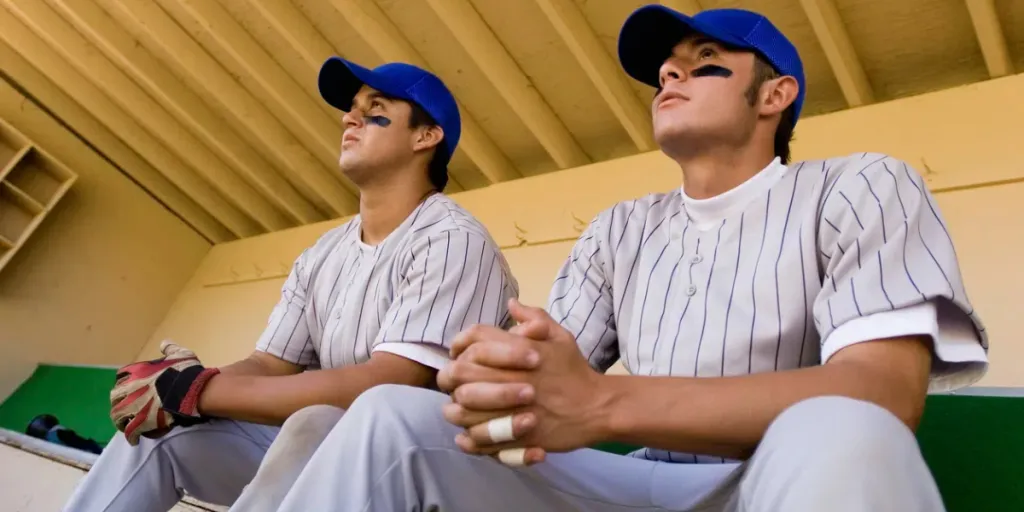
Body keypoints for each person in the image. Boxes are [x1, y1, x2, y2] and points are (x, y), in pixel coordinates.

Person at [265, 5, 989, 512]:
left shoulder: (859, 183)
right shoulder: (620, 228)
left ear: (775, 94)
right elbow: (549, 384)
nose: (669, 78)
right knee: (393, 413)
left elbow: (881, 395)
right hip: (630, 486)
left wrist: (602, 403)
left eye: (703, 64)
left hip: (769, 483)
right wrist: (500, 379)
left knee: (845, 426)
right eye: (664, 72)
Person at [61, 58, 519, 512]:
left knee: (316, 422)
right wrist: (180, 386)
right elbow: (268, 363)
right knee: (159, 431)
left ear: (426, 136)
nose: (349, 118)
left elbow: (390, 383)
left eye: (374, 108)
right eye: (351, 108)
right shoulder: (323, 252)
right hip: (336, 464)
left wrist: (202, 391)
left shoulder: (452, 238)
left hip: (441, 474)